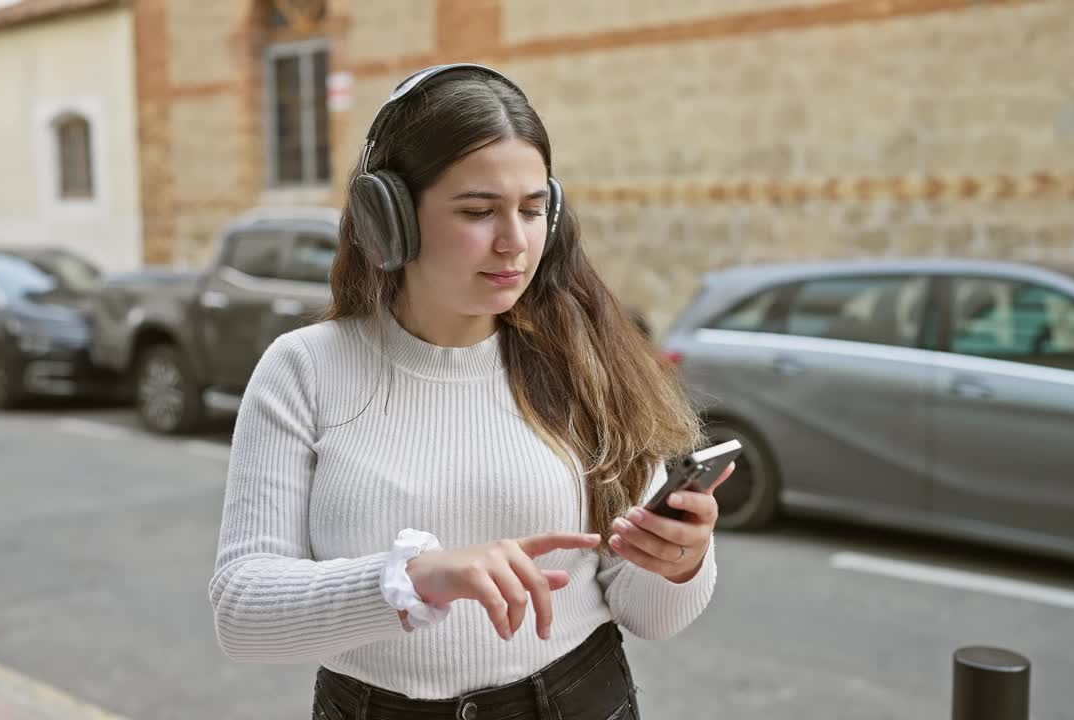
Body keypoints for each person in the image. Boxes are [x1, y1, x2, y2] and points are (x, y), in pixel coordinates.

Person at [208, 64, 731, 720]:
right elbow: (243, 612)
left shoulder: (586, 364)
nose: (515, 242)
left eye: (533, 210)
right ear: (388, 216)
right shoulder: (304, 371)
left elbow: (649, 616)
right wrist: (411, 578)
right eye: (479, 211)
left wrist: (678, 562)